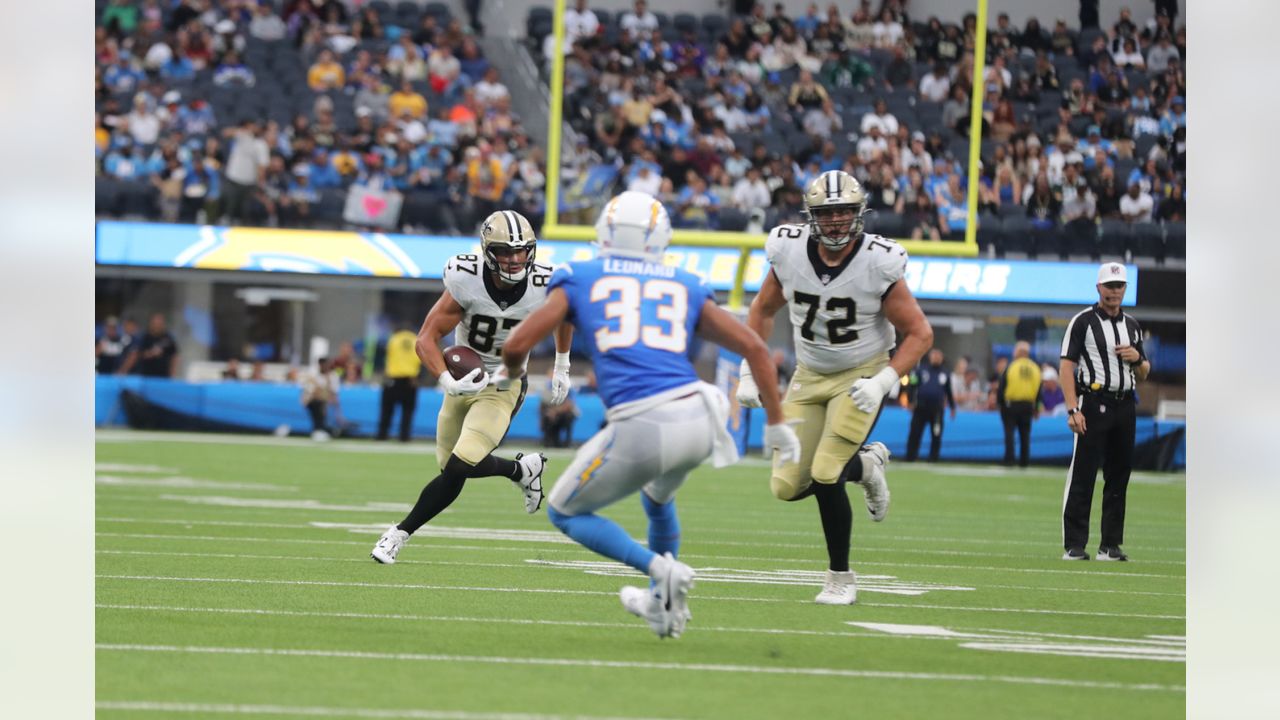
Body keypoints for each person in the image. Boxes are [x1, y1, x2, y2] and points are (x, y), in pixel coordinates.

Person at [498, 190, 800, 638]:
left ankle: (661, 569)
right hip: (701, 415)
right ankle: (662, 606)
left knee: (563, 510)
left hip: (644, 420)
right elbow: (756, 348)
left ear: (604, 231)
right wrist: (776, 423)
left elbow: (516, 345)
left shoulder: (579, 275)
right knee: (657, 499)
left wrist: (510, 375)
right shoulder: (686, 281)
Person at [737, 170, 934, 605]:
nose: (837, 221)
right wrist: (748, 371)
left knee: (827, 474)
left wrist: (884, 380)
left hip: (861, 373)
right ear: (812, 217)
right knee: (786, 486)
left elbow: (920, 334)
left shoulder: (879, 260)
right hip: (808, 375)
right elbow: (763, 310)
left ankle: (840, 578)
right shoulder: (788, 251)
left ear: (859, 213)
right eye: (828, 213)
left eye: (845, 211)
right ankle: (866, 467)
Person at [371, 211, 575, 563]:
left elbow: (565, 315)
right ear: (486, 251)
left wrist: (562, 363)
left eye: (521, 251)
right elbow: (427, 338)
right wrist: (447, 378)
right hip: (464, 381)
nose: (514, 260)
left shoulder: (546, 282)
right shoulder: (466, 279)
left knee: (459, 466)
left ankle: (399, 533)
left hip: (505, 382)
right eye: (505, 251)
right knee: (451, 468)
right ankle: (522, 470)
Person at [1059, 263, 1150, 561]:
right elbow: (1066, 366)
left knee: (1119, 474)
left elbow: (1145, 371)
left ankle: (1110, 545)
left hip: (1125, 404)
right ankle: (1074, 544)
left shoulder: (1133, 326)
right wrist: (1072, 408)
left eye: (1119, 286)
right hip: (1093, 401)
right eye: (1110, 286)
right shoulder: (1083, 322)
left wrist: (1137, 358)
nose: (1114, 291)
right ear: (1098, 288)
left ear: (1125, 289)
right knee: (1084, 473)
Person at [905, 348, 956, 462]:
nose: (936, 358)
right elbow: (912, 385)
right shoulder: (920, 370)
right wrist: (910, 401)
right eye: (934, 355)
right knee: (915, 432)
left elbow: (949, 391)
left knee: (936, 433)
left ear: (942, 358)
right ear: (930, 356)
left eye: (939, 356)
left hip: (937, 409)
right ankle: (911, 456)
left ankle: (933, 457)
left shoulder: (945, 373)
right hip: (920, 407)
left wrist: (952, 407)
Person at [999, 341, 1042, 467]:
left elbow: (1002, 386)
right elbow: (1039, 390)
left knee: (1009, 433)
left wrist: (1000, 403)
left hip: (1011, 405)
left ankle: (1009, 459)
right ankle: (1024, 461)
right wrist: (1037, 407)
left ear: (1017, 352)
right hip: (1028, 405)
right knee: (1025, 434)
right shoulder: (1035, 368)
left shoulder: (1012, 366)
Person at [377, 322, 422, 442]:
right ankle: (404, 436)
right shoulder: (415, 339)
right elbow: (419, 358)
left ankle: (382, 435)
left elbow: (387, 356)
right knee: (407, 411)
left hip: (393, 379)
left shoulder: (393, 339)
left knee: (387, 410)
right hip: (410, 380)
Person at [117, 313, 179, 377]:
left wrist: (173, 374)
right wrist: (150, 353)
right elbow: (135, 355)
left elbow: (174, 356)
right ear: (151, 324)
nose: (158, 326)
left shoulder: (168, 339)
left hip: (163, 376)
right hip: (145, 376)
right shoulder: (144, 337)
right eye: (156, 323)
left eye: (160, 324)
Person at [301, 357, 341, 441]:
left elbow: (334, 393)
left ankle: (321, 430)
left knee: (321, 406)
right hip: (312, 400)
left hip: (325, 400)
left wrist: (337, 411)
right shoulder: (313, 374)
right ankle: (318, 430)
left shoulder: (333, 376)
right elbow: (309, 390)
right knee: (318, 405)